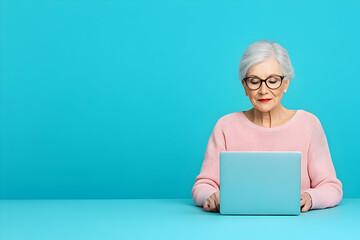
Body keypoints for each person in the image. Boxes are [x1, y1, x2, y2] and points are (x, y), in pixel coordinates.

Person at [191, 40, 343, 213]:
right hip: (236, 225)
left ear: (285, 83)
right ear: (245, 86)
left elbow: (331, 187)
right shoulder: (225, 126)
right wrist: (211, 196)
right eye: (254, 81)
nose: (264, 90)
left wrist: (311, 197)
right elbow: (203, 185)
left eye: (273, 80)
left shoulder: (309, 124)